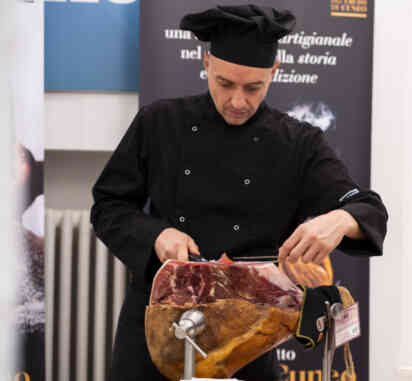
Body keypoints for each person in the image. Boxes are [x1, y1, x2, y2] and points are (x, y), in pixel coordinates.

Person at [90, 4, 387, 381]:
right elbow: (109, 205)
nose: (238, 101)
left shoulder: (299, 143)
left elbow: (369, 209)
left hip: (247, 335)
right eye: (225, 84)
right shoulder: (159, 122)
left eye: (253, 88)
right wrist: (156, 235)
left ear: (274, 73)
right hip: (159, 325)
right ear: (206, 63)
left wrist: (341, 220)